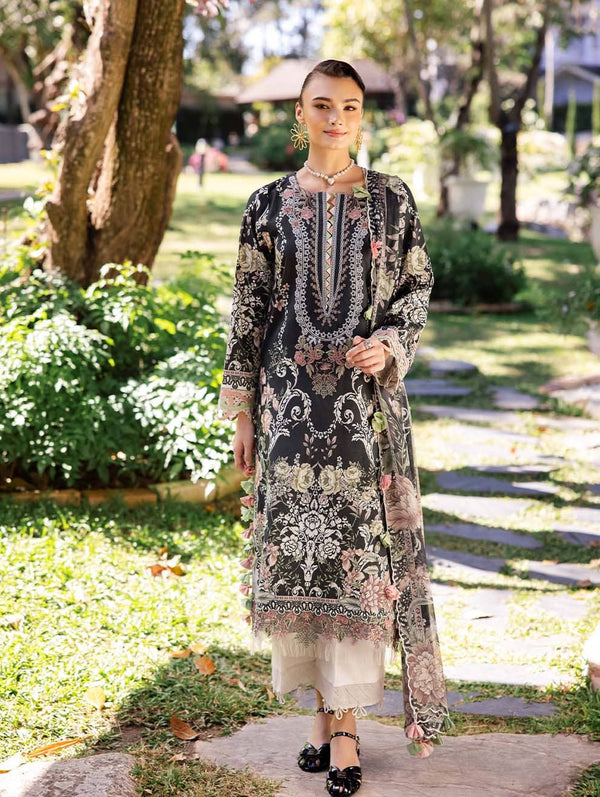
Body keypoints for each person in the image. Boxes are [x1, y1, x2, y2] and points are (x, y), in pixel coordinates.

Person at [217, 59, 450, 796]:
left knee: (355, 567)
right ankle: (322, 716)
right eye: (322, 105)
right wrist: (242, 409)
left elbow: (416, 286)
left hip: (362, 416)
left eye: (349, 106)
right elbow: (249, 309)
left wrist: (390, 344)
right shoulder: (265, 205)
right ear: (300, 113)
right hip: (288, 412)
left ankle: (345, 727)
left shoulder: (391, 200)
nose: (336, 118)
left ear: (361, 116)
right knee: (302, 564)